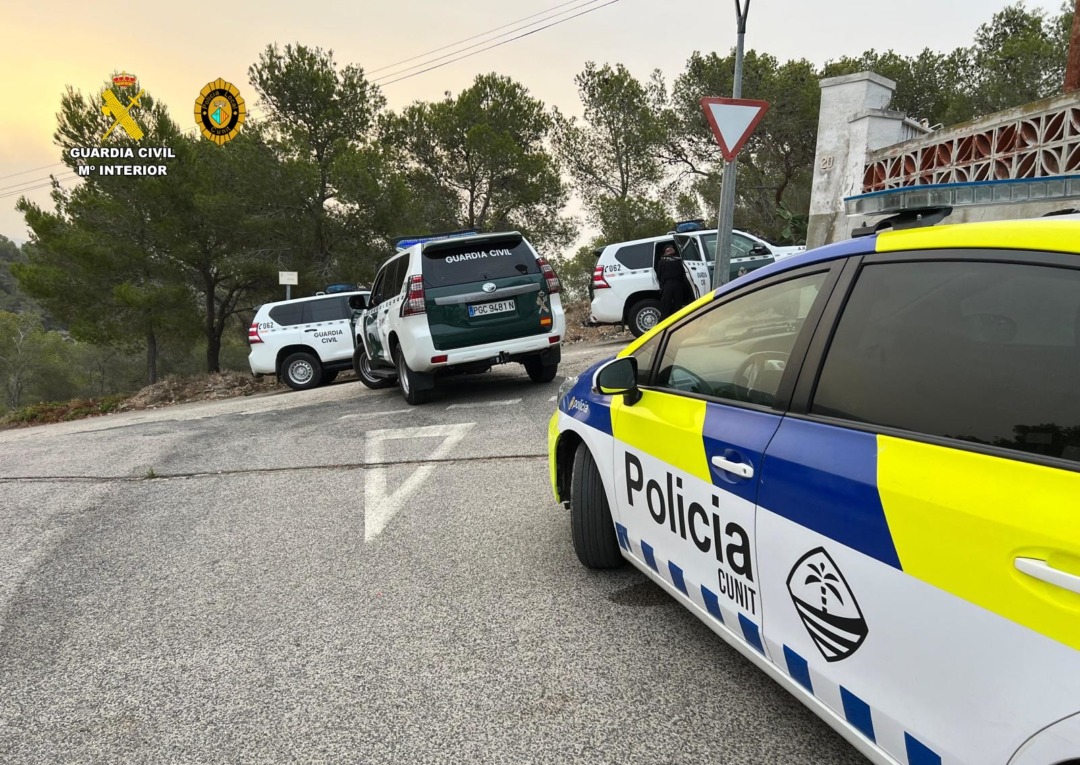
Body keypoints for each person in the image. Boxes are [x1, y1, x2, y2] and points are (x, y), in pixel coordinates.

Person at [657, 244, 692, 319]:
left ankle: (664, 321)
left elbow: (659, 275)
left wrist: (662, 283)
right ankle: (677, 319)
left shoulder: (662, 261)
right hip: (678, 284)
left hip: (667, 285)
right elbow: (683, 274)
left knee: (666, 304)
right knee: (678, 303)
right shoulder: (679, 260)